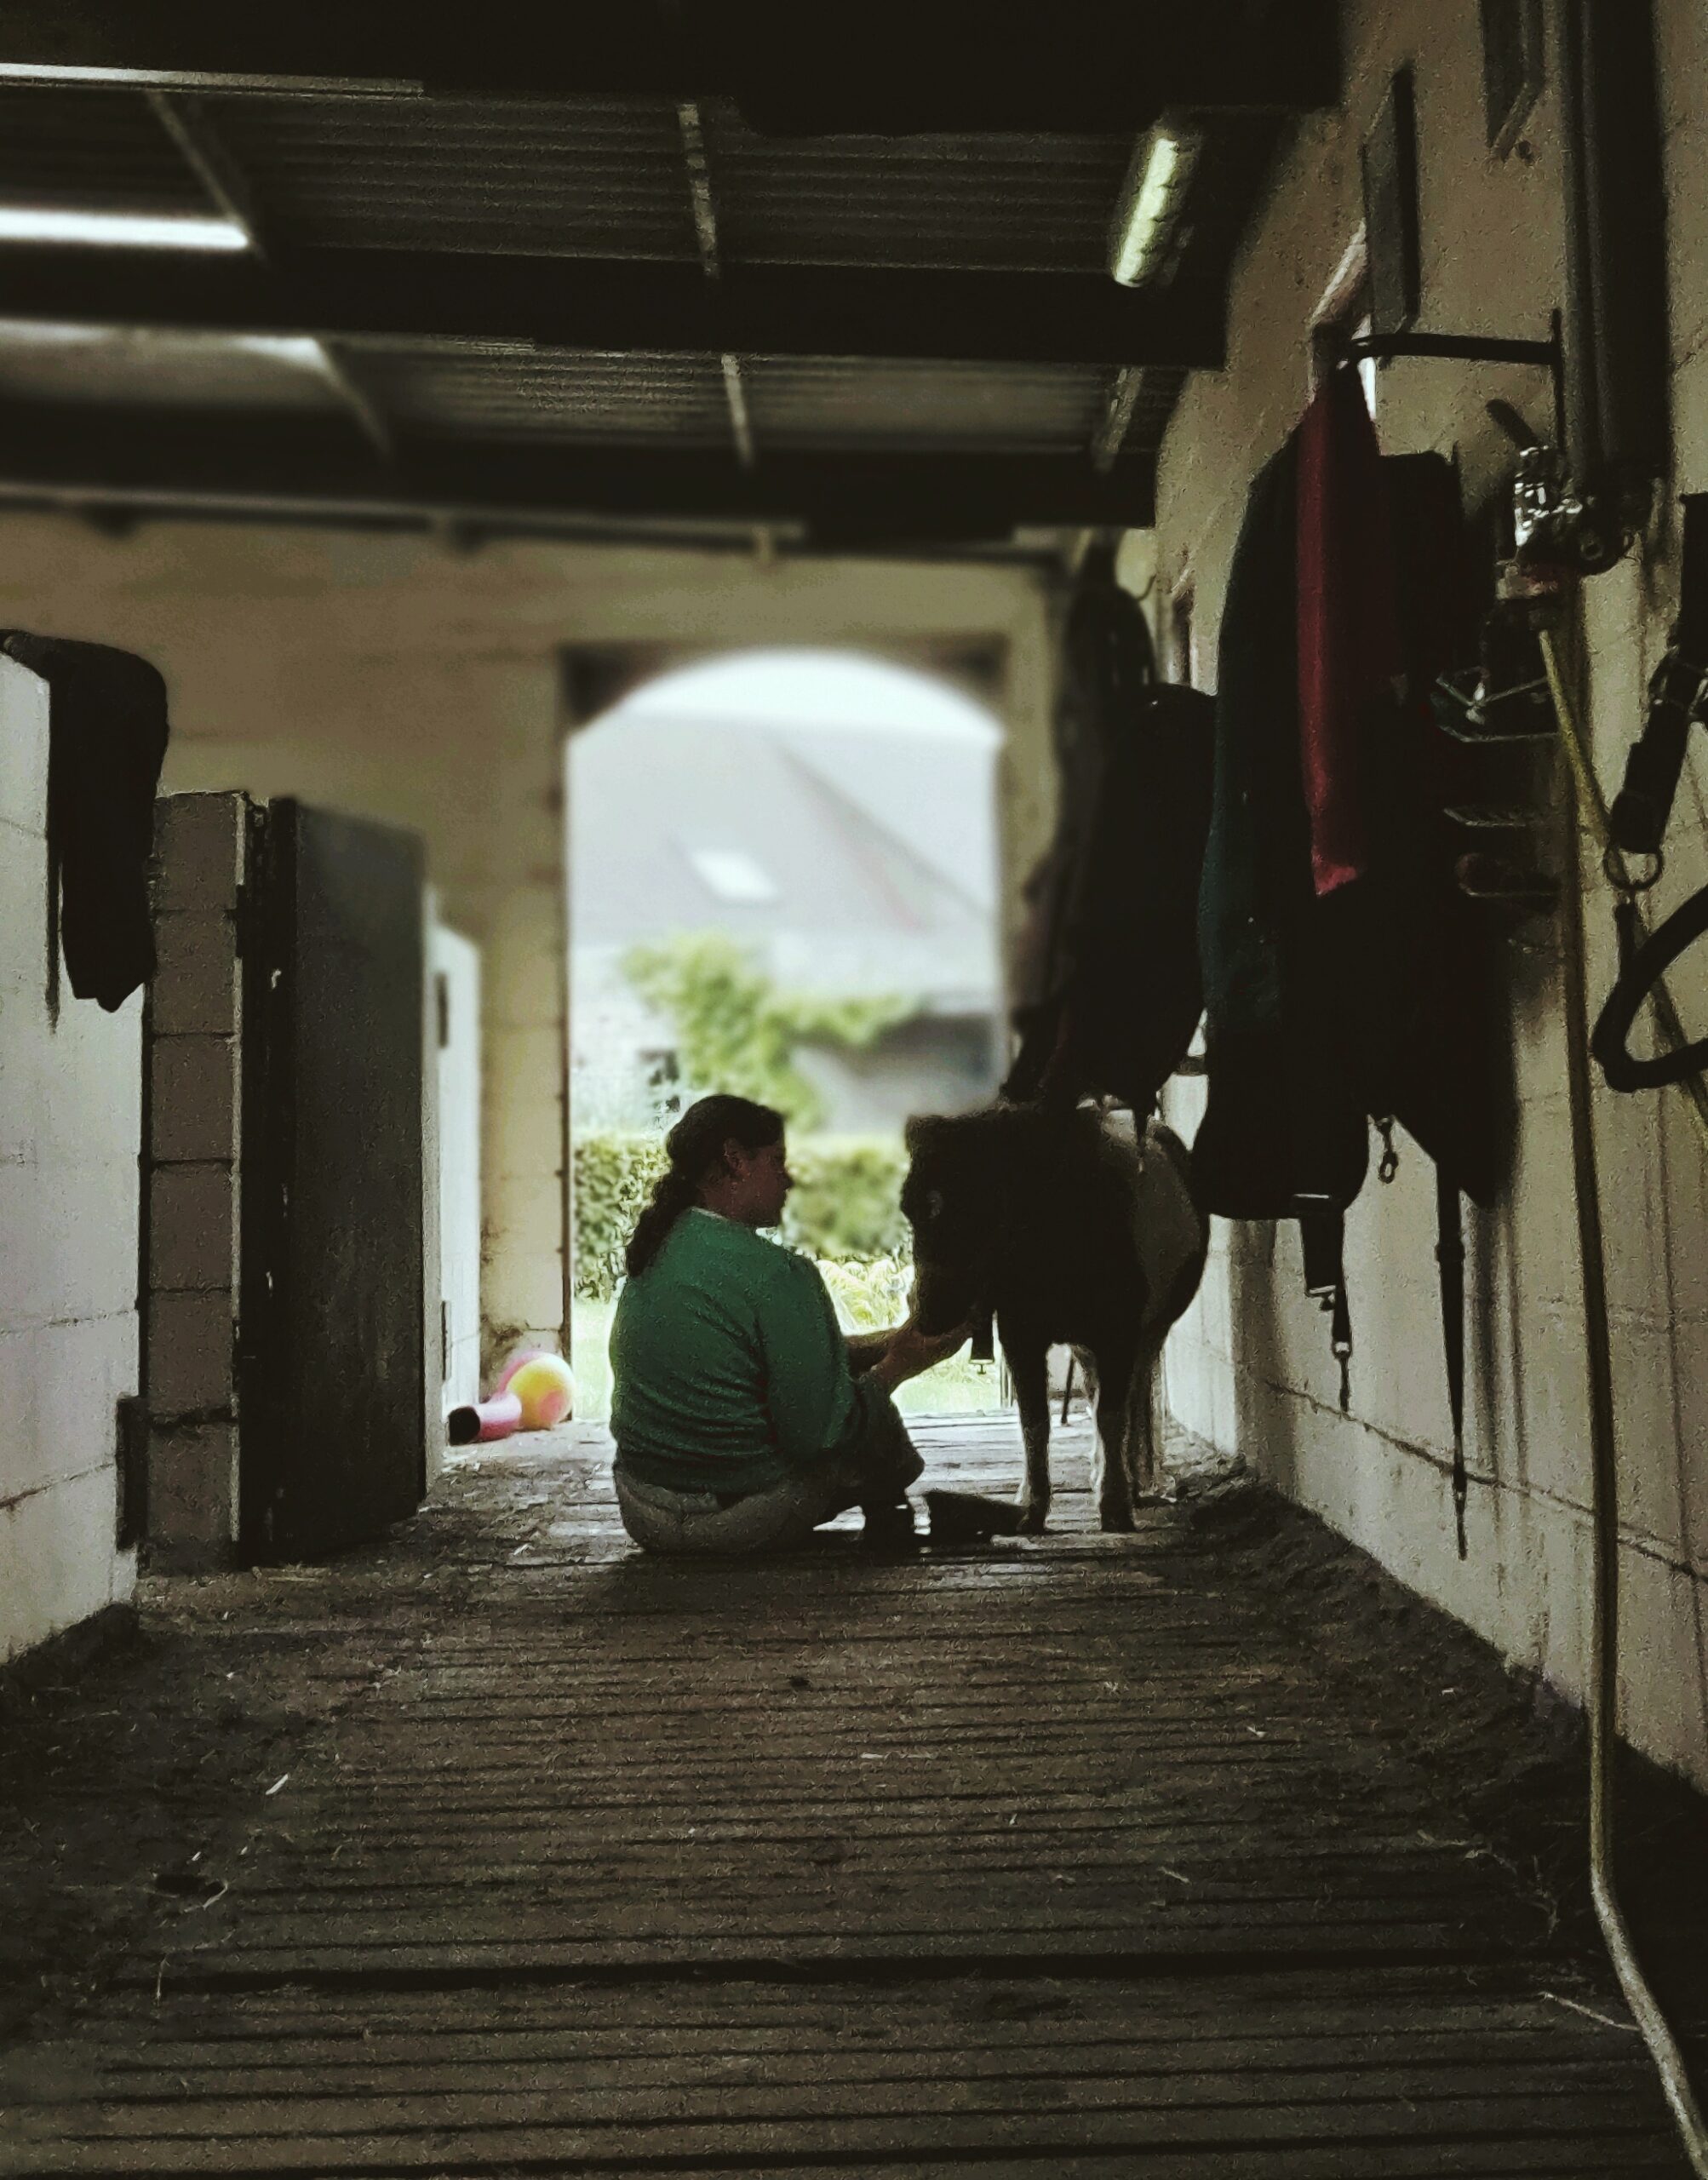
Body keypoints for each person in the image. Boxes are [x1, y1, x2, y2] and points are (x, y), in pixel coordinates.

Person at [608, 1093, 966, 1555]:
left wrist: (888, 1343)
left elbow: (756, 1357)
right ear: (736, 1160)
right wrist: (898, 1365)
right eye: (778, 1162)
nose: (790, 1179)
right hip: (736, 1522)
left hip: (643, 1511)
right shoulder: (779, 1274)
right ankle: (891, 1522)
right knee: (869, 1421)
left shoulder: (656, 1249)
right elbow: (818, 1435)